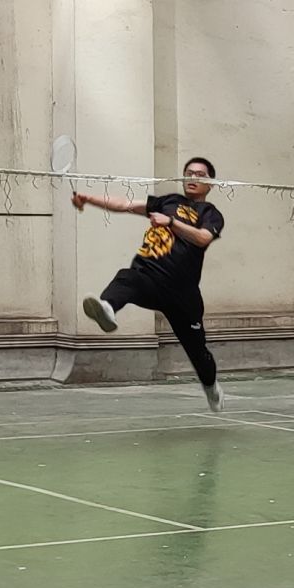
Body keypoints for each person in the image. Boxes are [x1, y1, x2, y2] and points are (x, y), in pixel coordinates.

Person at [72, 157, 226, 411]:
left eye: (200, 174)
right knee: (127, 277)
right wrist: (89, 199)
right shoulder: (169, 201)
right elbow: (125, 205)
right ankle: (108, 308)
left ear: (210, 183)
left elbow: (202, 238)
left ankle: (210, 386)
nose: (193, 178)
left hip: (182, 293)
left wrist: (171, 223)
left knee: (197, 352)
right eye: (189, 173)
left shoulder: (210, 214)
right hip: (150, 278)